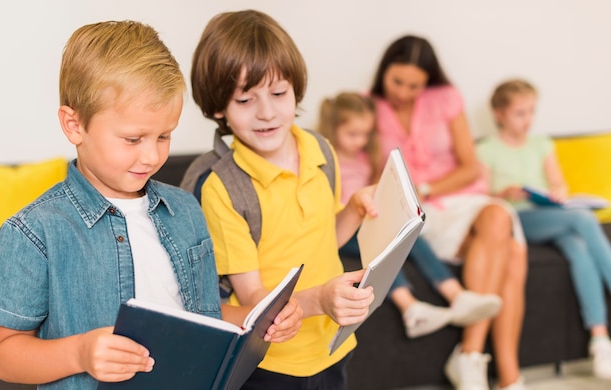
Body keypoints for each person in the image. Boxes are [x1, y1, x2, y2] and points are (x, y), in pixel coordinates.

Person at [0, 20, 301, 390]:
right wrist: (80, 353)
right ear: (74, 125)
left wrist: (254, 320)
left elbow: (199, 317)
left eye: (164, 136)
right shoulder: (35, 232)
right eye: (133, 139)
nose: (151, 156)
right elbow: (3, 356)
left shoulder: (185, 210)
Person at [189, 10, 377, 390]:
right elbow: (254, 300)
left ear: (296, 89)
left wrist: (355, 210)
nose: (267, 112)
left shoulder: (320, 149)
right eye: (245, 99)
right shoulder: (221, 187)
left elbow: (325, 239)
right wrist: (320, 300)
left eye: (278, 93)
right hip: (273, 364)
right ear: (218, 108)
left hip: (332, 344)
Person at [370, 35, 528, 390]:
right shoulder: (367, 107)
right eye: (397, 82)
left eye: (415, 85)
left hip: (457, 200)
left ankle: (470, 354)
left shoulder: (446, 99)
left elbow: (470, 167)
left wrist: (428, 188)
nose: (405, 92)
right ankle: (507, 375)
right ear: (383, 73)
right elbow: (369, 175)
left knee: (498, 216)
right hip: (413, 211)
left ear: (428, 80)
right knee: (513, 253)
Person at [317, 92, 502, 338]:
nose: (360, 141)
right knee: (383, 247)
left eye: (365, 134)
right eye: (352, 134)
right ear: (332, 127)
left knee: (411, 234)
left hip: (367, 220)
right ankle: (410, 308)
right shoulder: (325, 162)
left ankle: (456, 295)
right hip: (342, 231)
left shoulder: (365, 159)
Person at [477, 79, 611, 380]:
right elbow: (480, 201)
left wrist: (558, 194)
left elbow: (558, 183)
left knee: (577, 247)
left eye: (531, 112)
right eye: (519, 113)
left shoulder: (541, 144)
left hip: (549, 214)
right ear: (499, 114)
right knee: (583, 220)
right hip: (517, 219)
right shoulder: (486, 150)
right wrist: (505, 194)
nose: (528, 120)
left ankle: (600, 340)